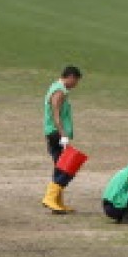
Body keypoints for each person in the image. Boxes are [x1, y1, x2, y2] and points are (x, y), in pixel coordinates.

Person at [41, 66, 83, 214]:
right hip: (56, 133)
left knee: (60, 166)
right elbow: (56, 115)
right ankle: (50, 198)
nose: (76, 84)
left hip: (56, 133)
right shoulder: (59, 91)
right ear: (70, 77)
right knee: (64, 168)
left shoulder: (59, 89)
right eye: (76, 81)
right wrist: (63, 135)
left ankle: (58, 202)